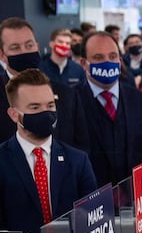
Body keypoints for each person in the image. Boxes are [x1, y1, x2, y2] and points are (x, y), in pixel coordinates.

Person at [0, 69, 96, 233]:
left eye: (50, 106)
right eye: (34, 108)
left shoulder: (78, 160)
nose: (45, 113)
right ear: (14, 114)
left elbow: (93, 218)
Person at [76, 30, 142, 186]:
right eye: (98, 57)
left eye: (112, 56)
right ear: (83, 63)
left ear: (120, 60)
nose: (107, 62)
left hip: (138, 197)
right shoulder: (70, 103)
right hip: (90, 200)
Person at [0, 17, 89, 151]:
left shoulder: (67, 95)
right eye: (15, 47)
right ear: (2, 55)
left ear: (37, 46)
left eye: (29, 45)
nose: (24, 51)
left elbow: (82, 148)